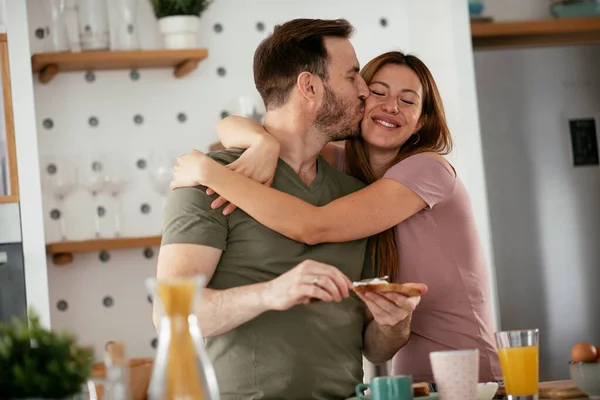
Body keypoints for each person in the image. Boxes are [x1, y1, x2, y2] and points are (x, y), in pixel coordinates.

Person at [170, 50, 503, 385]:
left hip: (471, 375)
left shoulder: (429, 170)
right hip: (410, 381)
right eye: (379, 92)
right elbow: (232, 130)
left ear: (422, 122)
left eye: (407, 100)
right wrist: (262, 143)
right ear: (360, 100)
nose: (391, 106)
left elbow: (314, 226)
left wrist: (209, 173)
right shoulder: (344, 169)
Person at [155, 19, 426, 400]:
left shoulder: (355, 197)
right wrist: (270, 293)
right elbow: (170, 315)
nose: (365, 91)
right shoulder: (212, 181)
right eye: (352, 77)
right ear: (310, 87)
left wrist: (395, 324)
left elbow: (375, 348)